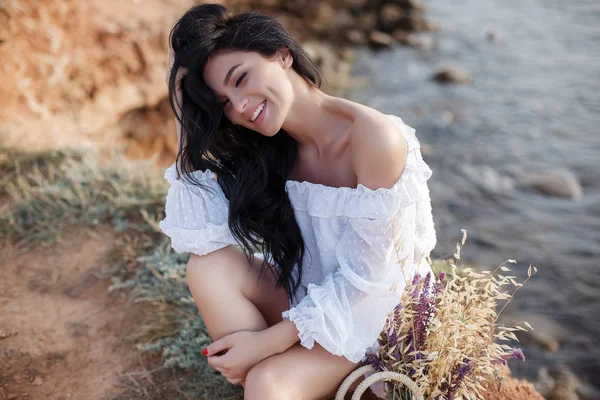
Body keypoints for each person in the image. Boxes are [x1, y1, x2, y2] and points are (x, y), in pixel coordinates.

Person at [159, 3, 436, 399]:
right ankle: (295, 380)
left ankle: (289, 380)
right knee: (208, 267)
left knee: (267, 382)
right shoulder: (268, 149)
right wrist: (185, 124)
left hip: (376, 320)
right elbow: (198, 236)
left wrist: (267, 342)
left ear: (282, 54)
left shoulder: (374, 138)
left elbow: (371, 286)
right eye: (223, 103)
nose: (238, 106)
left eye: (241, 78)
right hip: (313, 301)